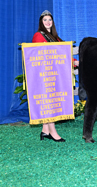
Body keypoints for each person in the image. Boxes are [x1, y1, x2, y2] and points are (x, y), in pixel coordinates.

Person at [32, 10, 77, 142]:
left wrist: (74, 62)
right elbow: (37, 55)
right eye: (45, 20)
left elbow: (62, 54)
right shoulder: (38, 36)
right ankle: (53, 132)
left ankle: (45, 131)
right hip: (45, 75)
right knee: (49, 102)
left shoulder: (54, 37)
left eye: (49, 20)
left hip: (54, 73)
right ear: (41, 22)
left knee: (51, 100)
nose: (48, 22)